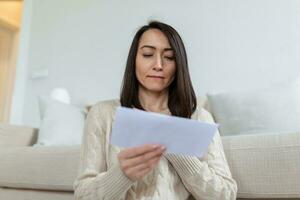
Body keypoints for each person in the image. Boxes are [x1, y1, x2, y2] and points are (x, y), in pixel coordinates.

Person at [73, 21, 237, 200]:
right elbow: (82, 196)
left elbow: (225, 194)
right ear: (134, 59)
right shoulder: (102, 114)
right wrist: (121, 174)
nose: (158, 65)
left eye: (169, 57)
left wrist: (180, 152)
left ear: (178, 64)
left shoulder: (199, 118)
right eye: (148, 54)